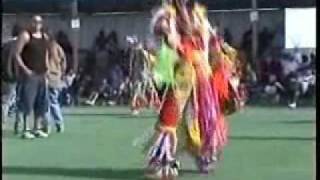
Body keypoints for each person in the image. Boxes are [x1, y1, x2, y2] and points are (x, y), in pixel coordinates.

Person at [142, 0, 243, 178]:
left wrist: (221, 59)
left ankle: (204, 153)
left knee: (204, 118)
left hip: (203, 76)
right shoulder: (168, 15)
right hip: (181, 74)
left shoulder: (199, 15)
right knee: (172, 117)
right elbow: (162, 38)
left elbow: (211, 43)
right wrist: (168, 34)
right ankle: (163, 158)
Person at [14, 15, 50, 139]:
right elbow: (16, 54)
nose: (37, 24)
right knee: (28, 102)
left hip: (42, 74)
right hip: (30, 75)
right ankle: (26, 129)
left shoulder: (45, 37)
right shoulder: (25, 35)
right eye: (35, 22)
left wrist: (47, 69)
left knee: (41, 103)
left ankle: (37, 128)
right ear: (31, 22)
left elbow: (46, 54)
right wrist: (26, 70)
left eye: (39, 22)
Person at [2, 24, 22, 126]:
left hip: (6, 76)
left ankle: (3, 122)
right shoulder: (23, 45)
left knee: (5, 101)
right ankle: (19, 123)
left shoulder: (5, 45)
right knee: (20, 101)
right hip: (21, 76)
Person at [46, 34, 67, 133]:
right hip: (56, 77)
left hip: (46, 77)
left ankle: (47, 125)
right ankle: (59, 123)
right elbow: (63, 61)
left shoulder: (44, 47)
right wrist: (62, 73)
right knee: (54, 102)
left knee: (45, 103)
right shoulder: (58, 47)